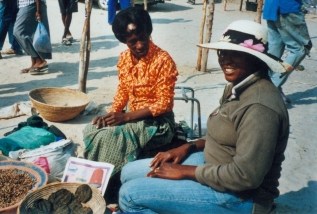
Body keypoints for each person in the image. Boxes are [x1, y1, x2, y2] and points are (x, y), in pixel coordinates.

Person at [119, 20, 289, 214]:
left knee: (129, 195)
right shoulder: (239, 86)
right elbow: (225, 133)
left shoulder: (260, 107)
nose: (226, 60)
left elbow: (245, 176)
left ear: (256, 58)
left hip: (241, 197)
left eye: (236, 54)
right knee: (128, 172)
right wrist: (187, 147)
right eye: (223, 53)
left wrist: (186, 172)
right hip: (215, 163)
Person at [83, 7, 179, 176]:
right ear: (124, 40)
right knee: (92, 129)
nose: (139, 45)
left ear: (148, 32)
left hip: (158, 124)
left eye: (143, 38)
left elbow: (164, 103)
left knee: (110, 138)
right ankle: (95, 178)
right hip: (132, 117)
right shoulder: (125, 58)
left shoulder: (163, 60)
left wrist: (126, 117)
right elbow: (123, 90)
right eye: (132, 42)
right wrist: (111, 115)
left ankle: (109, 182)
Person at [263, 0, 317, 103]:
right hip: (287, 8)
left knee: (274, 52)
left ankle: (269, 87)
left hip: (274, 6)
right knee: (300, 49)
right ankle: (270, 89)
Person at [13, 0, 51, 74]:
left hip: (32, 2)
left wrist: (38, 10)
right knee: (30, 33)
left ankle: (40, 60)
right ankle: (34, 63)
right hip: (24, 1)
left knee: (18, 31)